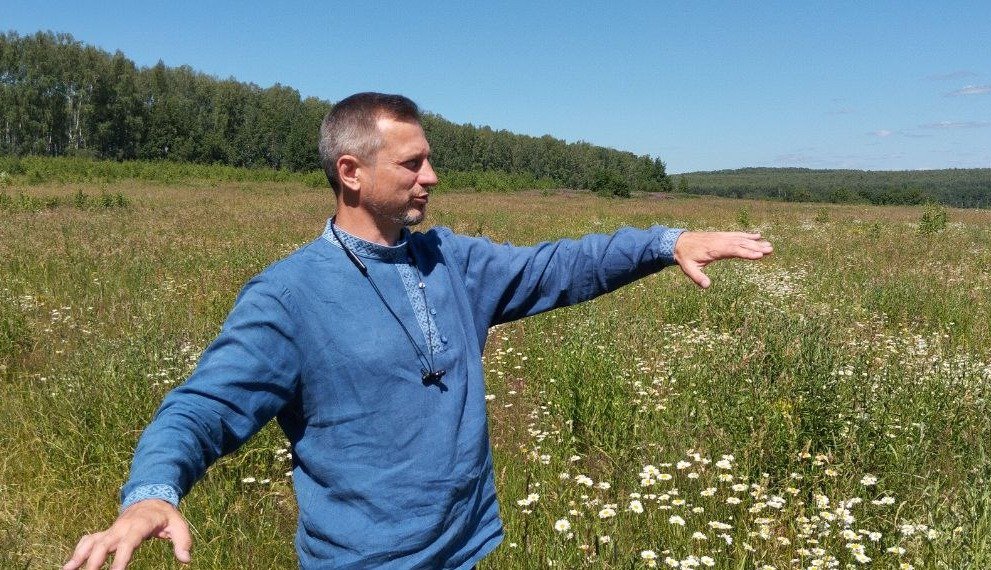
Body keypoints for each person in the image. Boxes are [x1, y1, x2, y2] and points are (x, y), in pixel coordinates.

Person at [63, 92, 772, 570]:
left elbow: (561, 265)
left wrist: (664, 240)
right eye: (412, 163)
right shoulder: (289, 297)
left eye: (428, 159)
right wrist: (153, 492)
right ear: (351, 172)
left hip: (465, 550)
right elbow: (203, 407)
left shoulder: (452, 261)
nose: (431, 176)